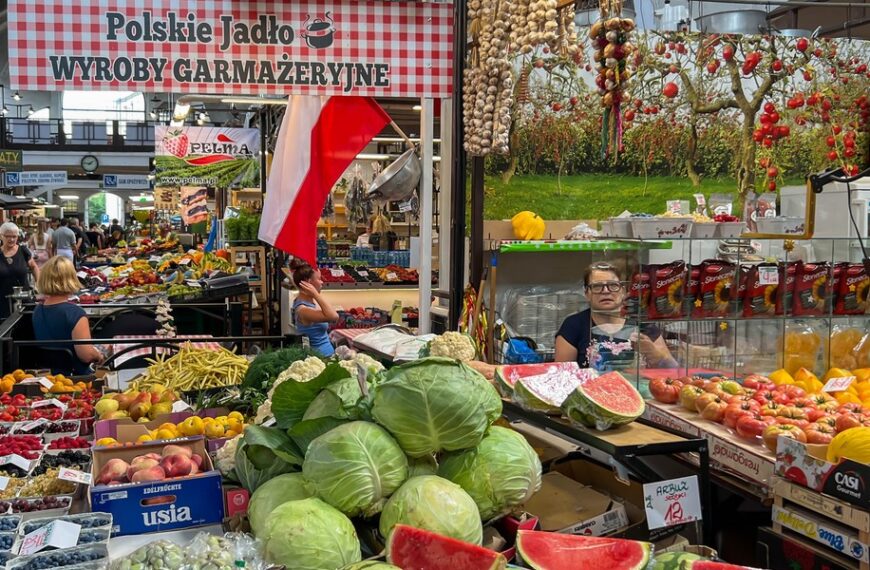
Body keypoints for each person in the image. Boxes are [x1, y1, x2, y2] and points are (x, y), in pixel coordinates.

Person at [555, 262, 677, 371]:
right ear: (587, 293)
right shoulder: (573, 325)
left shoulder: (642, 323)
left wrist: (653, 352)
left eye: (613, 285)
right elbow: (561, 376)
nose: (606, 291)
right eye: (597, 286)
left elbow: (672, 369)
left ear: (623, 290)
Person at [33, 256, 104, 374]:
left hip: (47, 375)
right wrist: (99, 355)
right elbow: (86, 356)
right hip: (76, 377)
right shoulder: (75, 314)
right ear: (71, 279)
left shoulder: (37, 310)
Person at [290, 258, 338, 357]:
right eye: (319, 279)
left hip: (327, 356)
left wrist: (315, 295)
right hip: (320, 359)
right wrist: (316, 294)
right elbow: (334, 316)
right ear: (308, 282)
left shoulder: (310, 302)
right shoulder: (303, 310)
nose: (322, 282)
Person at [0, 222, 40, 320]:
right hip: (3, 301)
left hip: (24, 299)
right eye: (8, 236)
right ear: (1, 236)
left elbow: (34, 267)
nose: (11, 239)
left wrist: (38, 284)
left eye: (14, 236)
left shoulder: (23, 251)